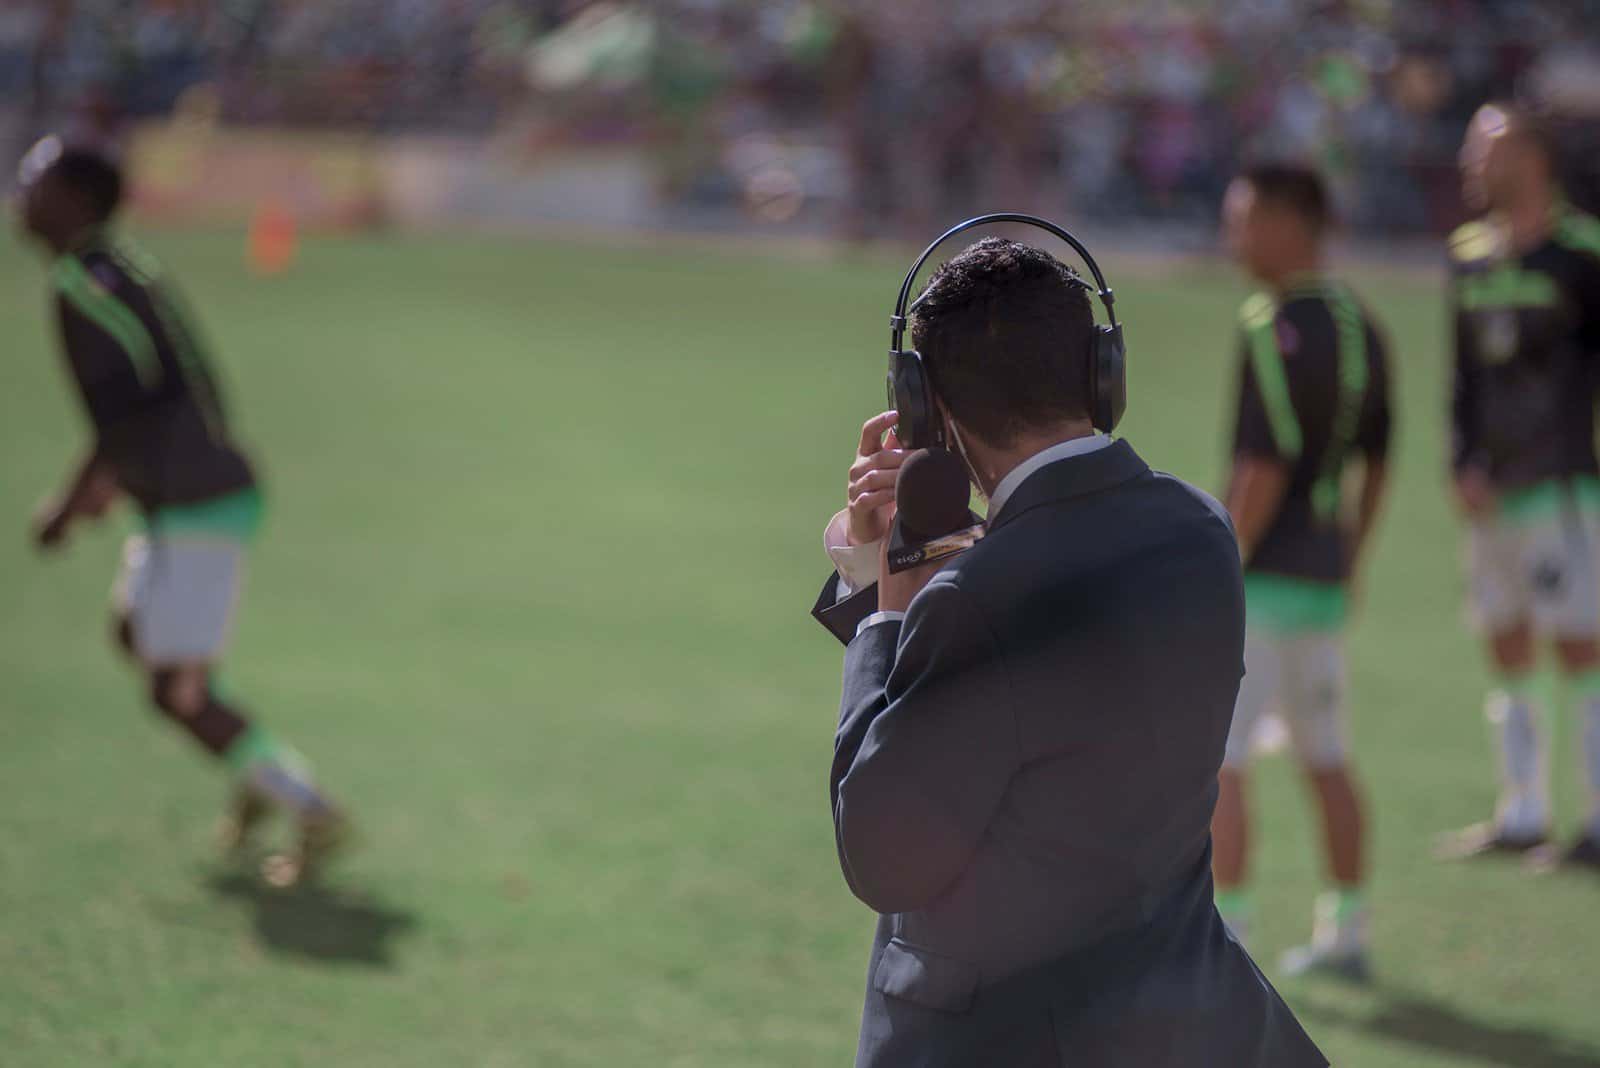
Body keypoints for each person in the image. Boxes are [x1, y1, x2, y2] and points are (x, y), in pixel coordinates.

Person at [815, 237, 1325, 1066]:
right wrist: (932, 565)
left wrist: (890, 598)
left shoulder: (973, 595)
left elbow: (883, 851)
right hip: (1183, 1025)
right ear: (1100, 371)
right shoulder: (1201, 532)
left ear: (925, 405)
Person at [15, 136, 349, 886]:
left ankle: (309, 807)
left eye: (35, 181)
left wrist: (69, 506)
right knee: (137, 635)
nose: (21, 193)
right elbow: (176, 386)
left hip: (197, 504)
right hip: (181, 498)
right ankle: (253, 766)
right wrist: (119, 480)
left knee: (177, 690)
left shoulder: (85, 286)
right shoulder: (118, 267)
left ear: (75, 201)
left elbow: (123, 418)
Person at [1211, 163, 1393, 979]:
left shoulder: (1267, 326)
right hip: (1322, 581)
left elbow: (1264, 465)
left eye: (1243, 217)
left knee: (1222, 762)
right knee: (1327, 757)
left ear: (1290, 223)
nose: (1232, 234)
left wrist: (1218, 563)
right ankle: (1347, 929)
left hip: (1261, 583)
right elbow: (1378, 460)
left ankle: (1230, 935)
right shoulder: (1362, 325)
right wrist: (1350, 555)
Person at [1439, 103, 1600, 870]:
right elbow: (1462, 379)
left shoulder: (1583, 253)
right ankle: (1523, 811)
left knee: (1581, 647)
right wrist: (1460, 459)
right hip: (1491, 494)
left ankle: (1598, 819)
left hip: (1565, 490)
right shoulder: (1468, 254)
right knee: (1505, 642)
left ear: (1532, 157)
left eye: (1487, 147)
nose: (1473, 160)